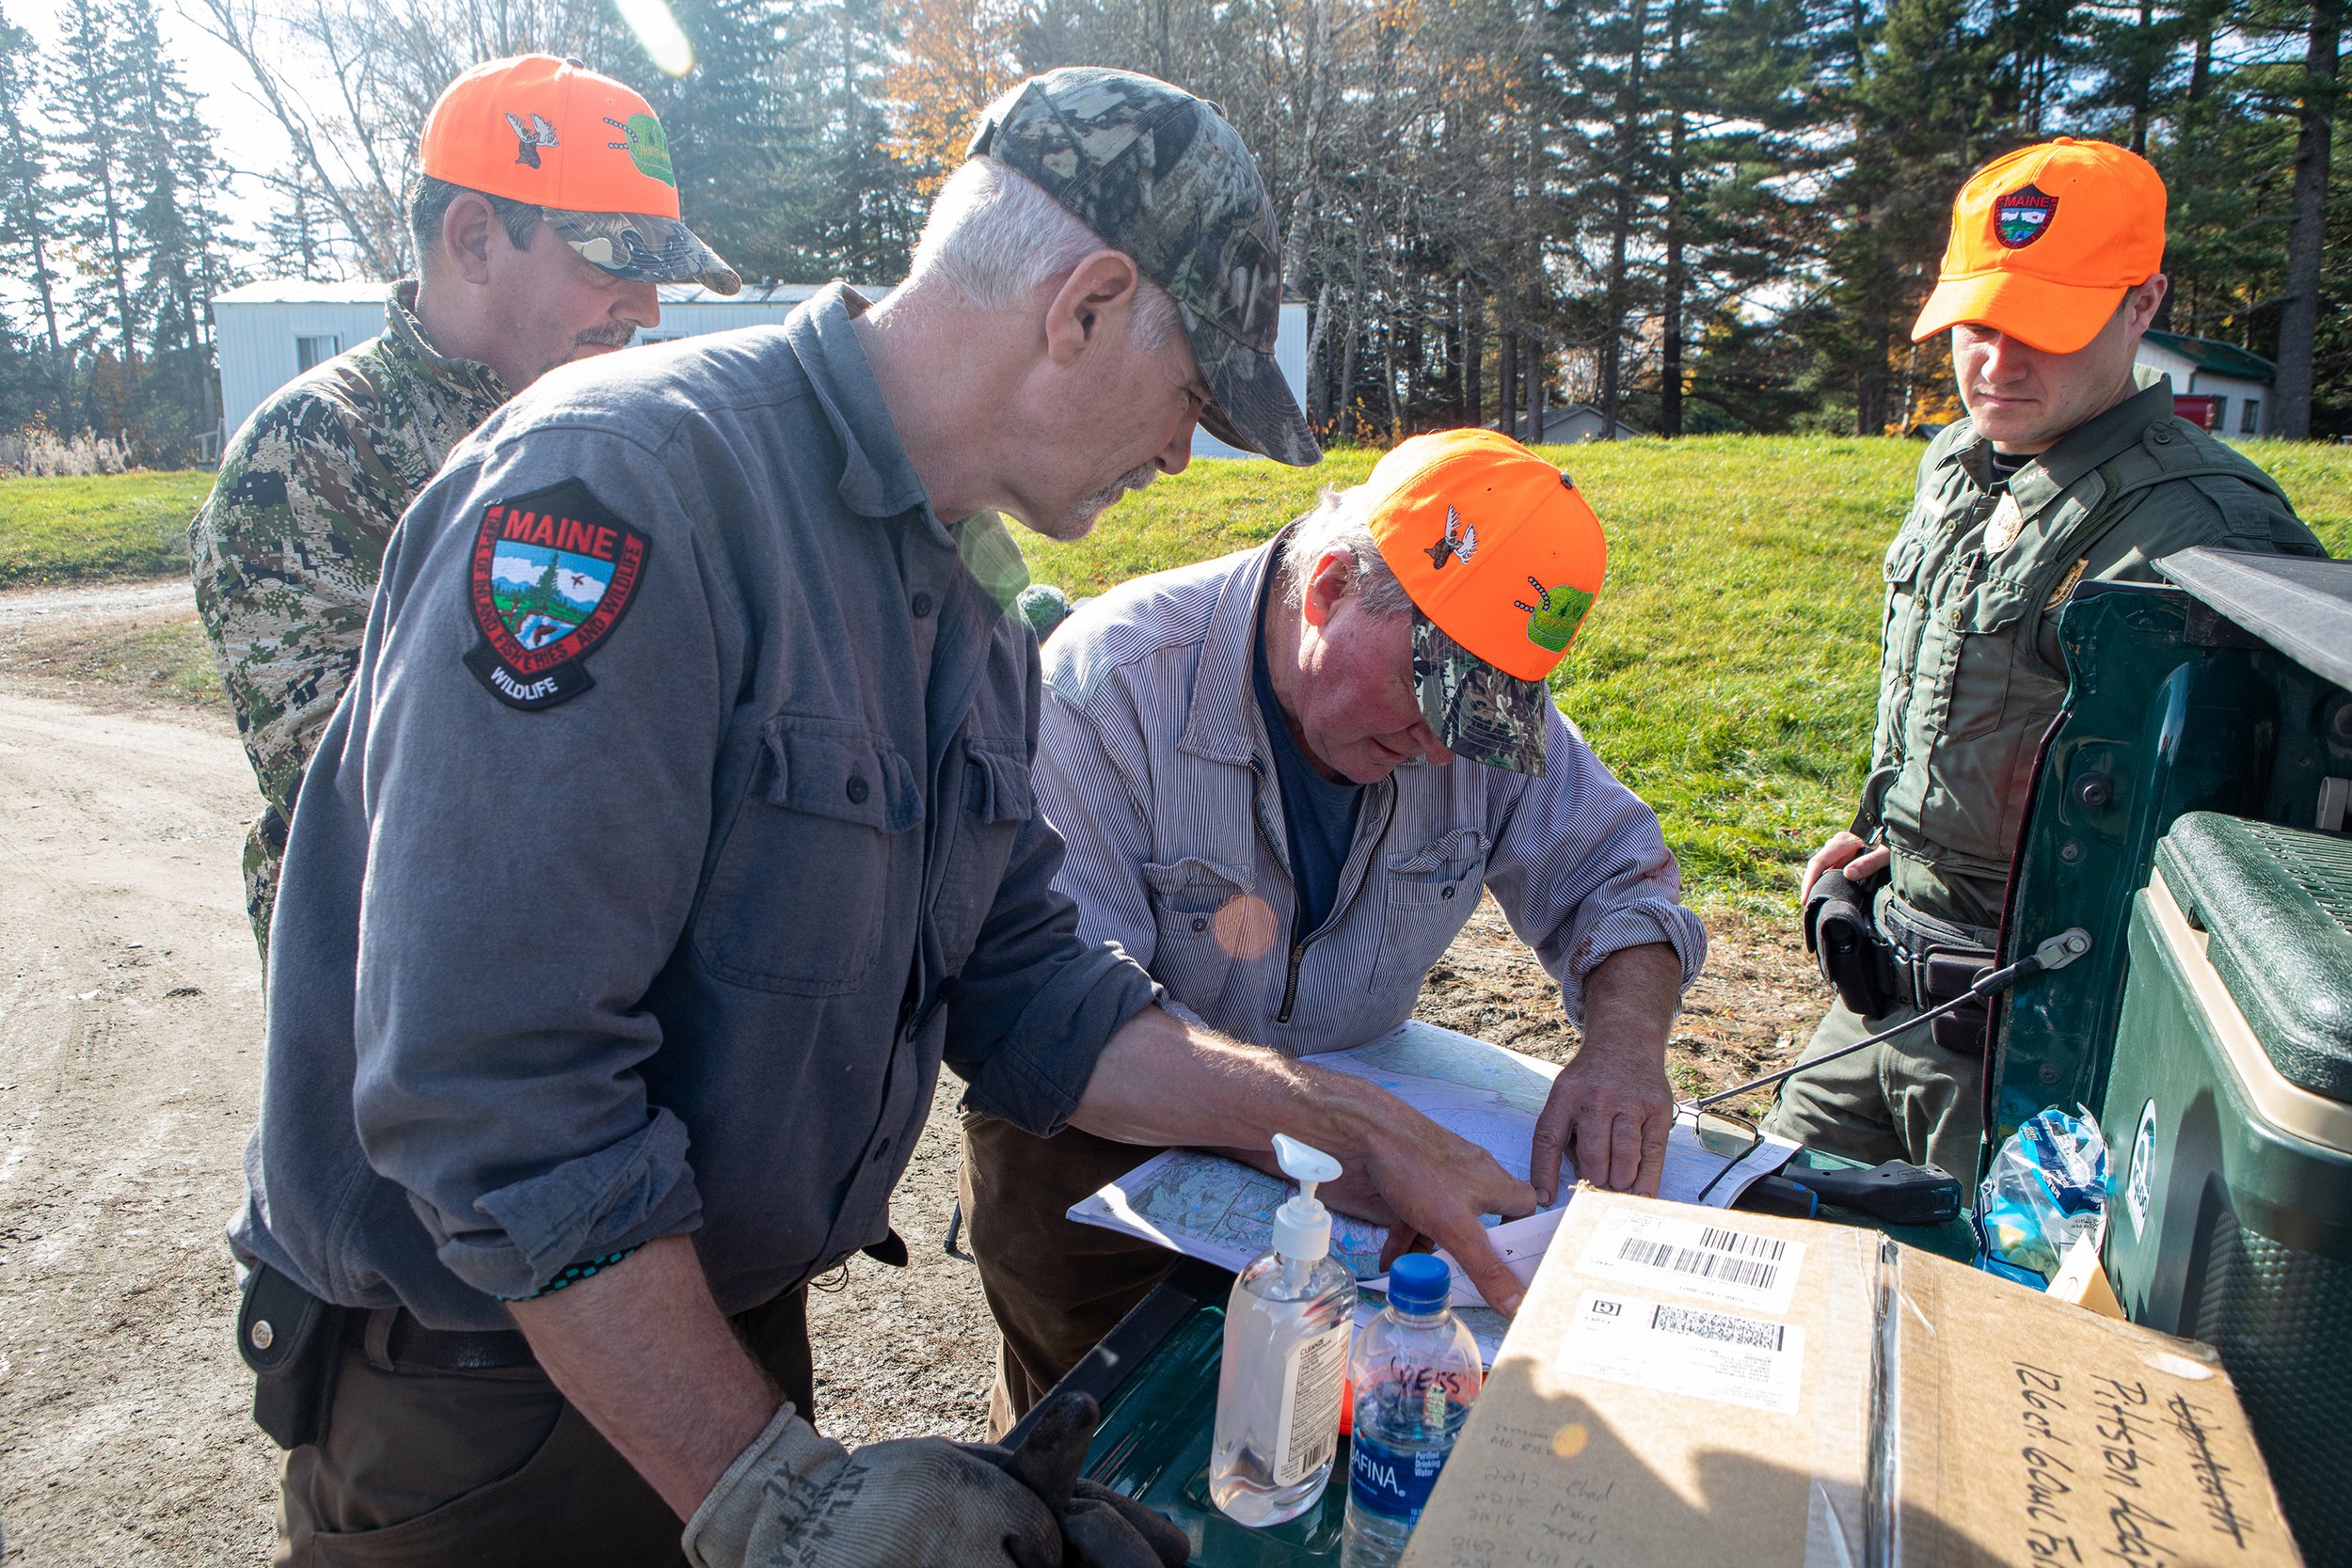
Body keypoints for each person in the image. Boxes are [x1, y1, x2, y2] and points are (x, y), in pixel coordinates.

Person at [230, 68, 1541, 1568]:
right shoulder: (622, 490)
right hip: (490, 1391)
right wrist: (772, 1494)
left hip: (697, 1333)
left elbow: (1026, 978)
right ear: (1088, 305)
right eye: (1193, 394)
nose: (1184, 452)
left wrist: (1322, 1118)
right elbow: (495, 1089)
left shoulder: (964, 603)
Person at [961, 428, 1708, 1433]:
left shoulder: (1468, 716)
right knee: (1116, 1451)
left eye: (1483, 709)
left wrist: (1622, 1046)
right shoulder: (1108, 687)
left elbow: (1621, 879)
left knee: (1339, 1448)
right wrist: (1343, 1123)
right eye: (1427, 689)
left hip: (1355, 1160)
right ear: (1325, 588)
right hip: (1108, 1160)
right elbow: (1058, 1028)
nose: (1445, 744)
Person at [1764, 137, 2326, 1178]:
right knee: (1750, 1222)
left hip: (2039, 1041)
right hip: (1882, 983)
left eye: (2045, 327)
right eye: (1977, 323)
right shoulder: (1955, 462)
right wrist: (1878, 825)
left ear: (2142, 303)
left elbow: (2261, 844)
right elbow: (1948, 685)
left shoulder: (2211, 530)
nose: (1997, 362)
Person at [188, 54, 738, 958]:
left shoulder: (636, 431)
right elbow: (365, 796)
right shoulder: (314, 454)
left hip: (610, 975)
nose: (645, 306)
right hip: (402, 1003)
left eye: (655, 270)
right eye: (613, 261)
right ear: (475, 239)